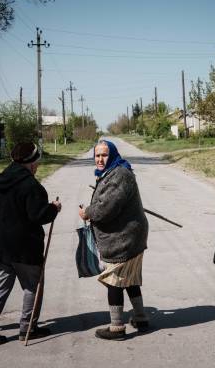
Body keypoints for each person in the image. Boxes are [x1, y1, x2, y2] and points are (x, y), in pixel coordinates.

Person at [0, 142, 61, 345]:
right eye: (37, 162)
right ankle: (27, 328)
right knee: (33, 286)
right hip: (25, 247)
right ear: (32, 163)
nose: (37, 166)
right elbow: (38, 215)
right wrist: (54, 208)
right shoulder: (32, 186)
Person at [79, 140, 149, 340]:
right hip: (129, 235)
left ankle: (117, 327)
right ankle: (141, 318)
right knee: (131, 279)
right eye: (97, 155)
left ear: (113, 155)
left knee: (114, 281)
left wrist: (87, 213)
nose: (100, 159)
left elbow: (104, 210)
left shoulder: (119, 175)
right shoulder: (112, 172)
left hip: (124, 238)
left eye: (104, 155)